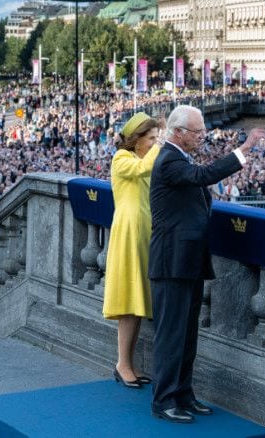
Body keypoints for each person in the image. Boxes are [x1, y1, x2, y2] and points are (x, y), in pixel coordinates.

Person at [148, 105, 265, 423]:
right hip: (171, 261)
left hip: (187, 258)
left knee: (187, 335)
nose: (203, 136)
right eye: (198, 132)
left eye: (203, 131)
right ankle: (164, 400)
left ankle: (183, 395)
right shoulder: (169, 160)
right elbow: (204, 176)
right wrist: (242, 151)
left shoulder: (179, 157)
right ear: (178, 133)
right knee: (172, 335)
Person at [102, 112, 161, 389]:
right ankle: (122, 363)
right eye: (151, 138)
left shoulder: (140, 158)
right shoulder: (122, 159)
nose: (155, 143)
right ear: (137, 141)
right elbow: (142, 171)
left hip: (143, 234)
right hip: (128, 234)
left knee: (137, 303)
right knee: (129, 301)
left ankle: (128, 363)